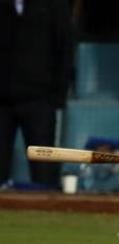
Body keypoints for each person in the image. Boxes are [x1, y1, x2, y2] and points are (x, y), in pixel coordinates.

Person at [0, 0, 73, 189]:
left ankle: (49, 208)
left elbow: (64, 49)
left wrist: (57, 97)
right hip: (2, 101)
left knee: (43, 168)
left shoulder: (53, 5)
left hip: (40, 100)